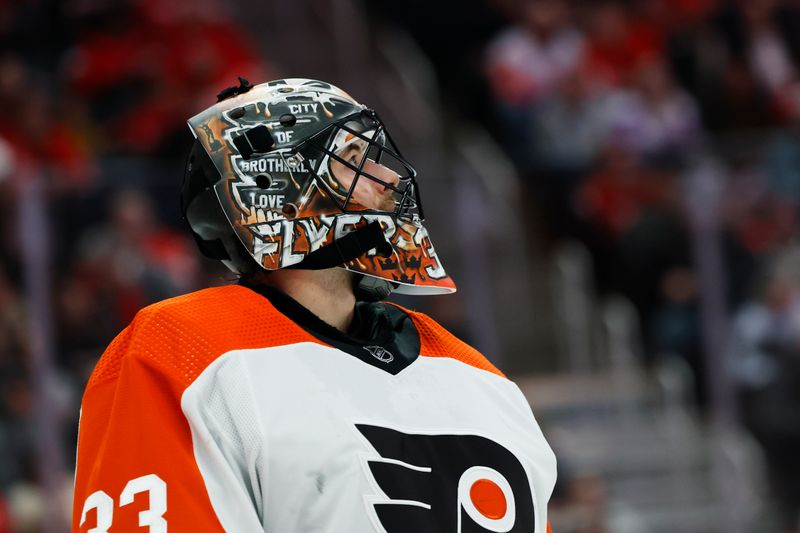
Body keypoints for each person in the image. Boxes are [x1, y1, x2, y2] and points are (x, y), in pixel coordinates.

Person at [71, 78, 557, 532]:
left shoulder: (478, 377)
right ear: (284, 190)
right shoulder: (182, 351)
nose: (388, 177)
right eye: (356, 159)